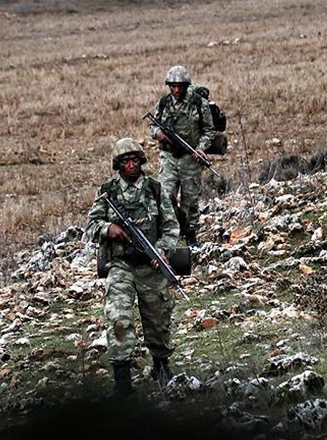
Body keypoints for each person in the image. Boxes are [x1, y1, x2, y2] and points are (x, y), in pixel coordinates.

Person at [84, 137, 181, 396]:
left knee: (158, 318)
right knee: (118, 318)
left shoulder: (155, 190)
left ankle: (161, 366)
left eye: (135, 160)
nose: (131, 165)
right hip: (120, 266)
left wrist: (161, 251)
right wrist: (108, 228)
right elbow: (90, 227)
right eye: (126, 161)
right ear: (118, 164)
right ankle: (122, 380)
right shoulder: (107, 193)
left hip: (150, 266)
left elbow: (171, 227)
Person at [149, 65, 216, 247]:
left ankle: (190, 233)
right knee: (165, 194)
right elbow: (153, 125)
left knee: (190, 198)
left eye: (180, 86)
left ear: (186, 86)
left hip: (190, 157)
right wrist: (157, 133)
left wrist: (201, 148)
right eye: (173, 86)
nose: (177, 90)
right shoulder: (164, 103)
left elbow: (209, 130)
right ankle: (169, 231)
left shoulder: (198, 103)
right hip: (169, 157)